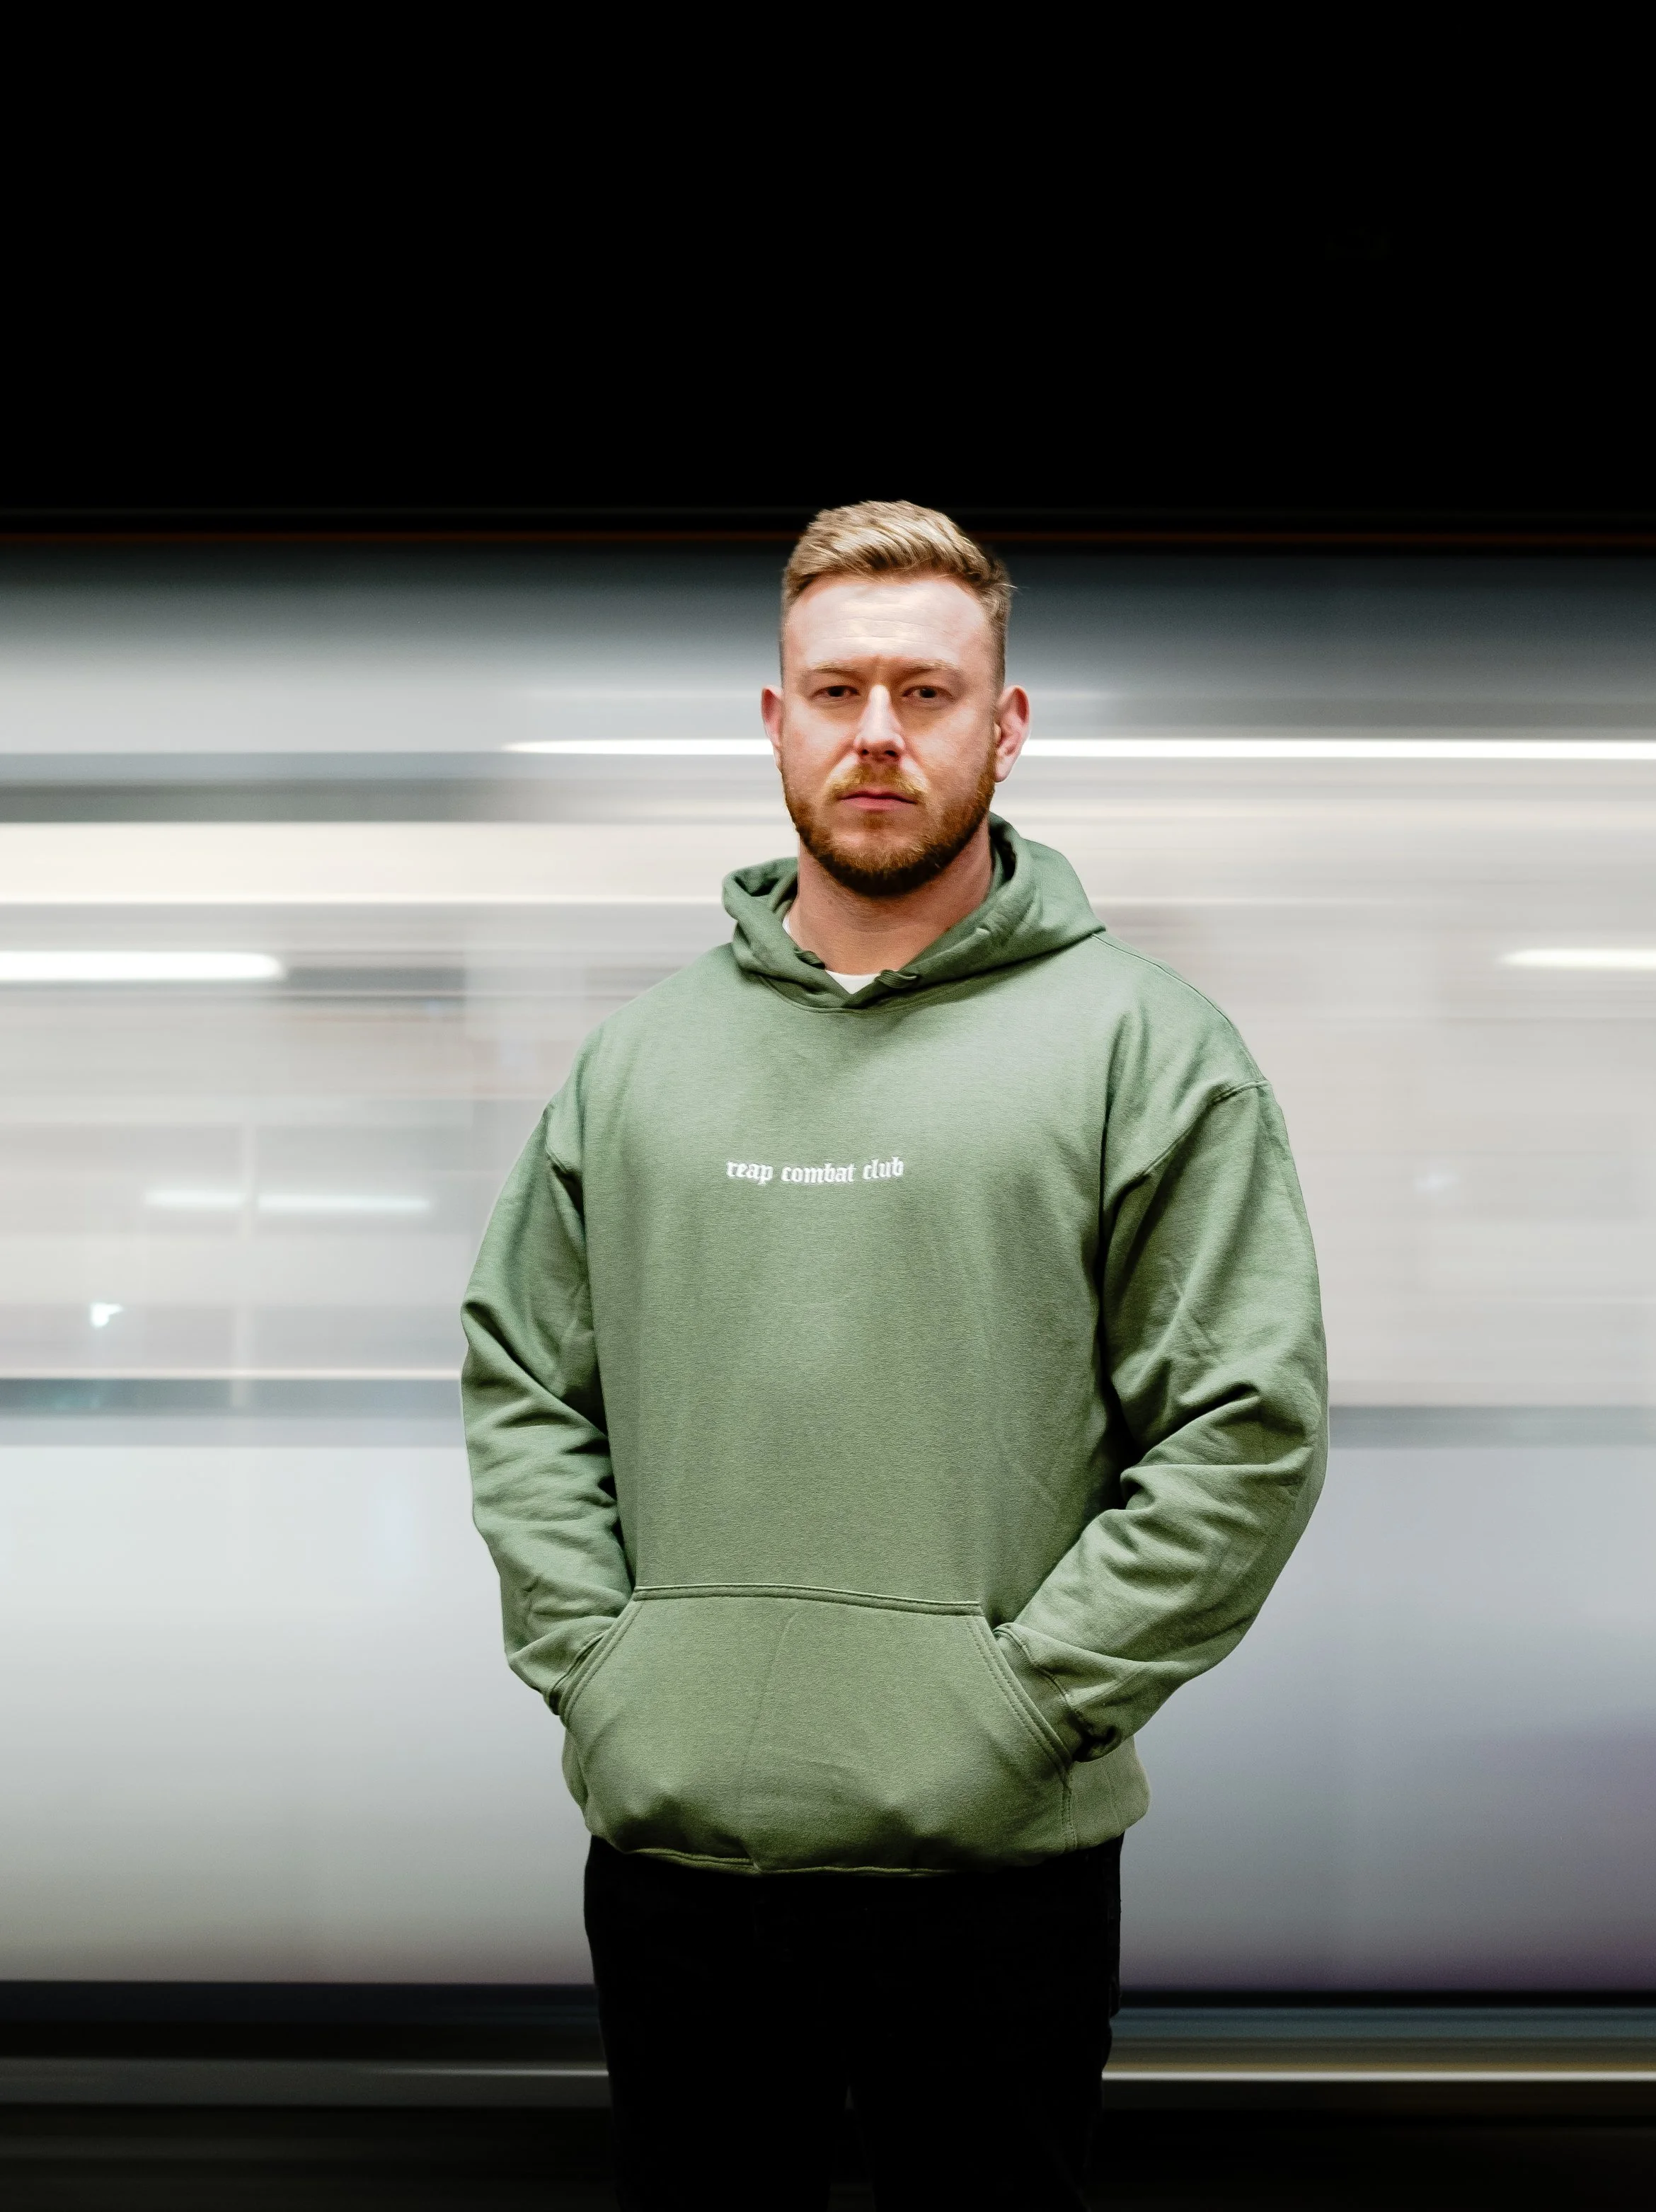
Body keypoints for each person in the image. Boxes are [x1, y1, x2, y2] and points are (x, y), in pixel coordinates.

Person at [462, 500, 1328, 2210]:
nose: (876, 734)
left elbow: (1240, 1433)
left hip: (998, 1880)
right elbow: (525, 1386)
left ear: (1002, 730)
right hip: (675, 1860)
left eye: (924, 694)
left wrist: (1016, 1710)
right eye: (834, 689)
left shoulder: (1147, 1051)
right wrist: (606, 1678)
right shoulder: (636, 1061)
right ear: (771, 722)